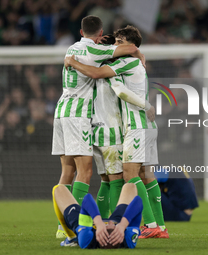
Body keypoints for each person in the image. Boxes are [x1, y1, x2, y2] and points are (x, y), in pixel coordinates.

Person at [65, 25, 168, 238]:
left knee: (122, 176)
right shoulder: (132, 62)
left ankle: (148, 224)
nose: (114, 47)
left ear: (128, 46)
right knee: (144, 175)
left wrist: (73, 62)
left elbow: (114, 86)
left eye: (118, 43)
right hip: (139, 126)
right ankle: (159, 226)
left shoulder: (124, 63)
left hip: (127, 126)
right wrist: (139, 54)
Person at [52, 15, 145, 238]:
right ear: (100, 34)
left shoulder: (71, 49)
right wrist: (139, 53)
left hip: (61, 111)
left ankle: (60, 226)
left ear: (81, 32)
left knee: (67, 172)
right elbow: (129, 48)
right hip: (78, 115)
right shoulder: (96, 51)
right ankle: (76, 228)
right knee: (85, 173)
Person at [91, 35, 155, 219]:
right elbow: (120, 91)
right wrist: (146, 105)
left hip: (93, 128)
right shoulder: (111, 72)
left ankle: (100, 223)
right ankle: (115, 222)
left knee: (105, 179)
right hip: (112, 129)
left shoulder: (88, 69)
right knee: (117, 179)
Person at [52, 183, 142, 249]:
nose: (109, 222)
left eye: (107, 226)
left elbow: (87, 199)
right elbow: (138, 201)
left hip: (85, 226)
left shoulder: (87, 239)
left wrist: (99, 223)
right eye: (113, 227)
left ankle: (72, 237)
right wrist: (122, 226)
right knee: (130, 186)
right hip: (119, 221)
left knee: (58, 189)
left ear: (99, 236)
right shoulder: (127, 239)